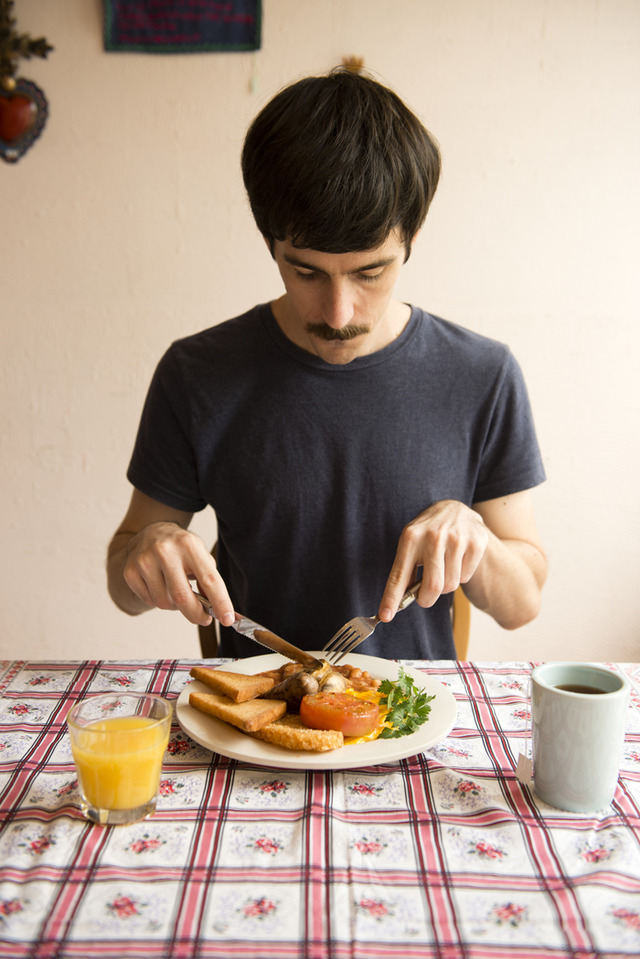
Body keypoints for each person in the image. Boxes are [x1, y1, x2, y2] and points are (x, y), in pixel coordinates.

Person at [107, 66, 547, 660]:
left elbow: (522, 605)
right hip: (247, 724)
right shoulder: (197, 373)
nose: (338, 314)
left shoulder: (482, 375)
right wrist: (148, 547)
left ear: (410, 238)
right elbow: (122, 586)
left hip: (414, 725)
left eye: (370, 272)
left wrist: (477, 539)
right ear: (270, 241)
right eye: (306, 272)